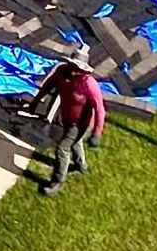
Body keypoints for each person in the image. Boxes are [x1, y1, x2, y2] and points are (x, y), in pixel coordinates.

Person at [33, 48, 105, 195]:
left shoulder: (89, 84)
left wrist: (96, 133)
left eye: (78, 69)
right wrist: (36, 100)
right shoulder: (61, 71)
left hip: (81, 123)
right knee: (75, 142)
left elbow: (100, 110)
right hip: (66, 117)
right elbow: (49, 85)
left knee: (63, 149)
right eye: (72, 66)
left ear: (83, 70)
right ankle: (81, 166)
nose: (73, 71)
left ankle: (57, 181)